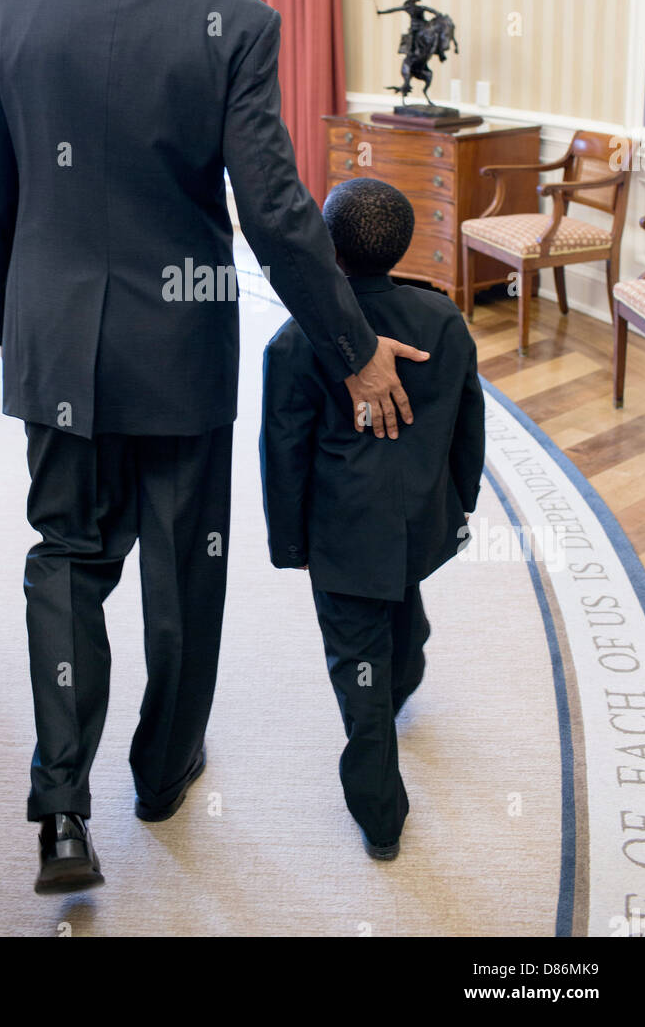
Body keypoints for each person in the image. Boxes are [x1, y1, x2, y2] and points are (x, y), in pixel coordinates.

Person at [0, 0, 429, 895]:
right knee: (182, 570)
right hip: (180, 348)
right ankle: (161, 775)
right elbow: (272, 208)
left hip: (57, 343)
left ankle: (61, 809)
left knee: (65, 558)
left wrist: (4, 318)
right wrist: (351, 346)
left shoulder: (5, 3)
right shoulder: (234, 21)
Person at [260, 178, 485, 859]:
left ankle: (381, 816)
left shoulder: (297, 339)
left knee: (359, 672)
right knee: (401, 608)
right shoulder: (443, 318)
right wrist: (461, 501)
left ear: (328, 246)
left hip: (343, 533)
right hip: (419, 515)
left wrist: (289, 543)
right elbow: (468, 419)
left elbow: (283, 453)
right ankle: (405, 671)